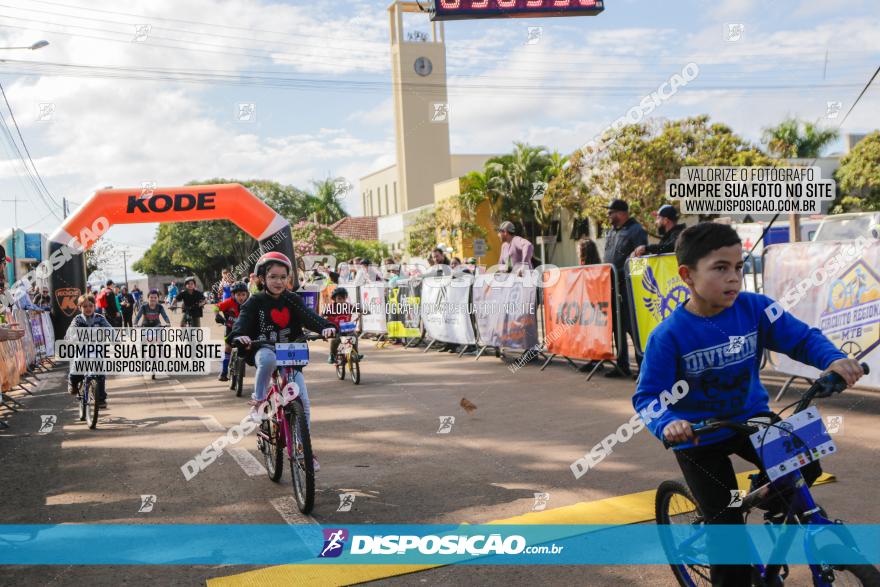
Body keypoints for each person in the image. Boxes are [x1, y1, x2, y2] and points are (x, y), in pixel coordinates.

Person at [632, 222, 865, 586]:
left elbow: (801, 338)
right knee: (729, 541)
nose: (733, 278)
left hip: (752, 419)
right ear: (687, 275)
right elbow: (647, 397)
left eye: (739, 267)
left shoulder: (755, 309)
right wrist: (667, 424)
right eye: (720, 268)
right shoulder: (669, 335)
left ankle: (772, 503)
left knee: (807, 464)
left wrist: (833, 360)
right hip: (699, 439)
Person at [228, 252, 336, 470]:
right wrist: (240, 336)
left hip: (290, 352)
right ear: (261, 278)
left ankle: (302, 449)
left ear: (289, 279)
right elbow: (241, 323)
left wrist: (326, 327)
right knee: (267, 359)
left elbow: (310, 317)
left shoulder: (292, 299)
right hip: (263, 348)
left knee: (303, 404)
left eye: (283, 277)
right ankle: (259, 402)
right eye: (273, 277)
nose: (278, 282)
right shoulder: (254, 301)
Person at [602, 199, 647, 378]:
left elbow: (640, 260)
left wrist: (626, 276)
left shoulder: (636, 230)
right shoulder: (612, 231)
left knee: (632, 327)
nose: (608, 215)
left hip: (627, 286)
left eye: (611, 212)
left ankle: (643, 367)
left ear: (621, 213)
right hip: (611, 285)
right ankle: (622, 366)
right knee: (617, 327)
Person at [65, 294, 113, 407]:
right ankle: (72, 382)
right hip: (82, 348)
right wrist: (70, 338)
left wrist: (115, 338)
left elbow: (109, 328)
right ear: (79, 307)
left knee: (101, 370)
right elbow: (71, 329)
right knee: (78, 363)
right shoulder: (78, 319)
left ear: (94, 306)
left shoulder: (100, 318)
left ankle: (101, 398)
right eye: (85, 306)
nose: (88, 308)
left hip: (96, 348)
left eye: (91, 306)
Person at [214, 282, 249, 382]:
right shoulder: (228, 302)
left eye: (243, 294)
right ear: (233, 295)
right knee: (228, 348)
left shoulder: (250, 303)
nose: (241, 297)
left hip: (243, 330)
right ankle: (223, 372)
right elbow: (216, 306)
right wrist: (217, 315)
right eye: (238, 295)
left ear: (247, 294)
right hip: (229, 328)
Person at [322, 286, 364, 364]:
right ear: (334, 299)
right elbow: (321, 316)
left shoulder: (348, 306)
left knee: (354, 336)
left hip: (346, 329)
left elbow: (359, 310)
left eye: (344, 299)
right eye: (339, 299)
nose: (342, 301)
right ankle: (332, 355)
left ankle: (356, 354)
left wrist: (365, 311)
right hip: (335, 330)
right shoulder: (330, 308)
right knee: (335, 339)